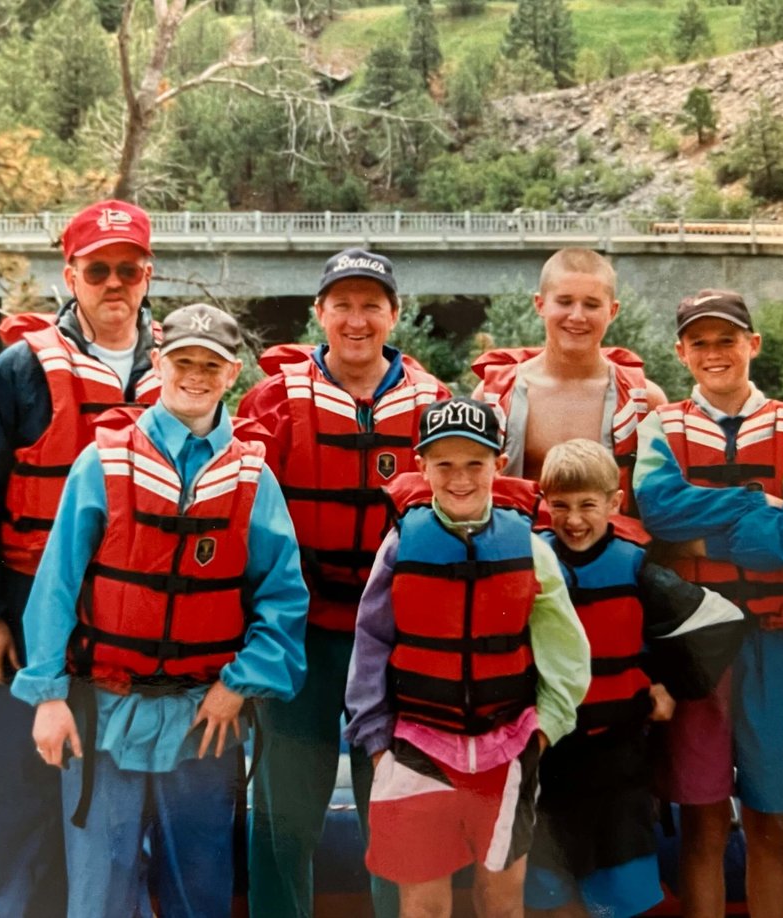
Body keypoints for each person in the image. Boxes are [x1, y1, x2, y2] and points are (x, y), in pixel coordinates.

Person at [10, 303, 308, 917]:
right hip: (104, 714)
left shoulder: (252, 475)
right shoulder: (102, 462)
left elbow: (283, 598)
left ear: (232, 376)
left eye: (211, 365)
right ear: (158, 363)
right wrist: (47, 696)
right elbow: (57, 585)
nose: (194, 376)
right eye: (182, 362)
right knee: (99, 897)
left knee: (199, 895)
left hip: (204, 718)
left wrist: (238, 686)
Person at [0, 199, 162, 917]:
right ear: (69, 275)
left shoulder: (182, 370)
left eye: (127, 269)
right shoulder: (19, 371)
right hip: (25, 604)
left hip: (135, 619)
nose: (114, 283)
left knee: (122, 796)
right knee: (23, 791)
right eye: (98, 268)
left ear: (147, 275)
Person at [237, 248, 451, 918]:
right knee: (284, 814)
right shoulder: (272, 402)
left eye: (371, 305)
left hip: (393, 643)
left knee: (392, 811)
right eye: (343, 305)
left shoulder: (433, 404)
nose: (356, 320)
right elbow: (239, 520)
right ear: (320, 312)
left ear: (393, 314)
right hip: (298, 638)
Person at [345, 397, 591, 918]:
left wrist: (544, 729)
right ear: (422, 466)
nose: (460, 478)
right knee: (425, 905)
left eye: (475, 464)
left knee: (500, 901)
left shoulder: (531, 549)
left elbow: (566, 652)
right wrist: (376, 745)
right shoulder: (399, 546)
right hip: (416, 747)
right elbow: (370, 646)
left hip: (507, 748)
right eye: (445, 465)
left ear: (498, 467)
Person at [632, 289, 783, 918]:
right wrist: (752, 501)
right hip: (698, 643)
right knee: (704, 819)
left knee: (771, 820)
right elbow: (658, 509)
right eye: (700, 343)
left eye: (727, 340)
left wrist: (703, 532)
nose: (715, 354)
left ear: (753, 344)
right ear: (681, 353)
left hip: (776, 638)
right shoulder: (660, 426)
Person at [525, 439, 744, 918]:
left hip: (618, 758)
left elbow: (720, 622)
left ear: (614, 503)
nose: (574, 519)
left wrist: (666, 682)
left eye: (588, 505)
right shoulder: (529, 561)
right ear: (544, 506)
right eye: (560, 506)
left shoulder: (635, 567)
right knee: (550, 892)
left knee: (620, 894)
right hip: (547, 758)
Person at [470, 247, 667, 539]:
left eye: (591, 304)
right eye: (564, 302)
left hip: (608, 570)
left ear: (612, 311)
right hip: (515, 560)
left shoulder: (645, 400)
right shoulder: (491, 395)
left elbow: (663, 504)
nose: (577, 316)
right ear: (540, 304)